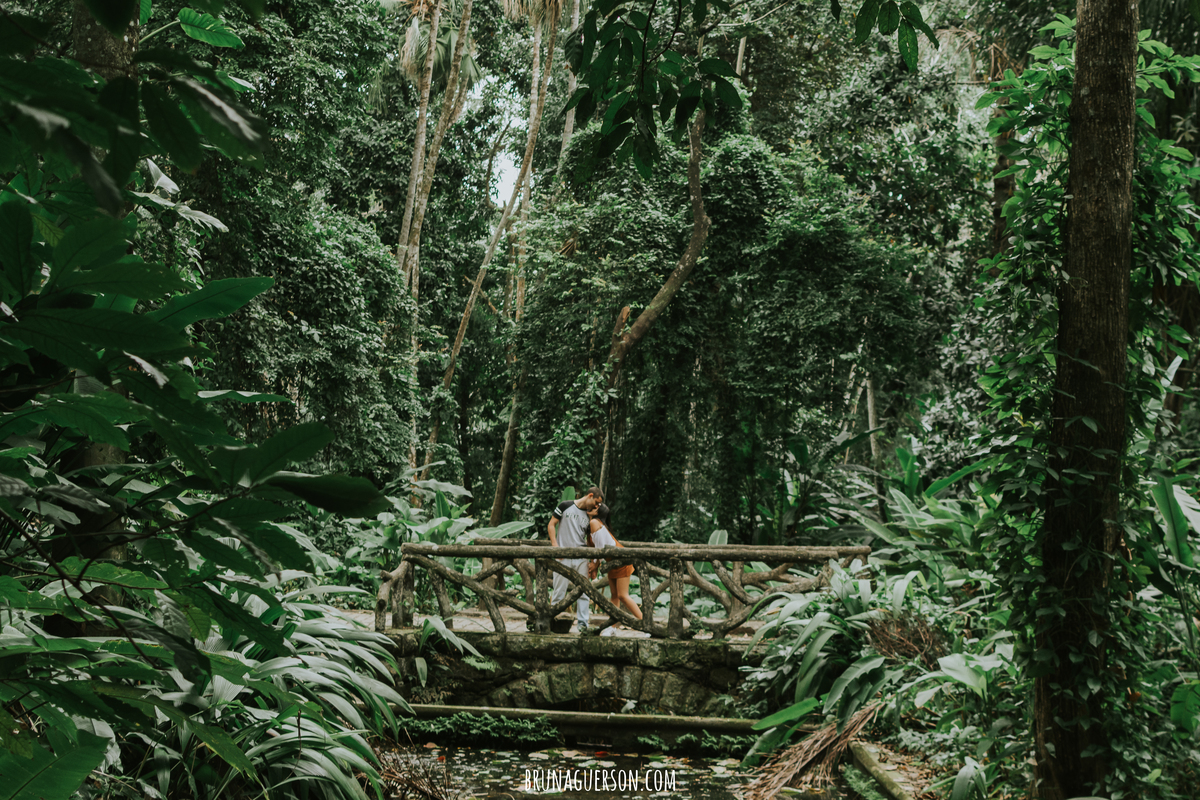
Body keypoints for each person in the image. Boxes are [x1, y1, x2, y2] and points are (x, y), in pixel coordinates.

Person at [549, 486, 603, 632]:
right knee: (559, 591)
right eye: (596, 502)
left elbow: (592, 540)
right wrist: (555, 546)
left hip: (581, 557)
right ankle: (554, 622)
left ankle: (583, 625)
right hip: (563, 555)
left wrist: (593, 562)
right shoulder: (565, 506)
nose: (596, 506)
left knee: (583, 592)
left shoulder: (590, 515)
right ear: (590, 495)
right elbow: (551, 524)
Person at [586, 504, 643, 636]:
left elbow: (600, 548)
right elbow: (596, 548)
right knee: (614, 596)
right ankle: (612, 627)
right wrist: (594, 564)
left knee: (623, 595)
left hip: (621, 561)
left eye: (595, 508)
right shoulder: (595, 524)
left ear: (598, 513)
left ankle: (645, 624)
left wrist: (595, 564)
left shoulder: (595, 522)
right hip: (612, 562)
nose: (591, 508)